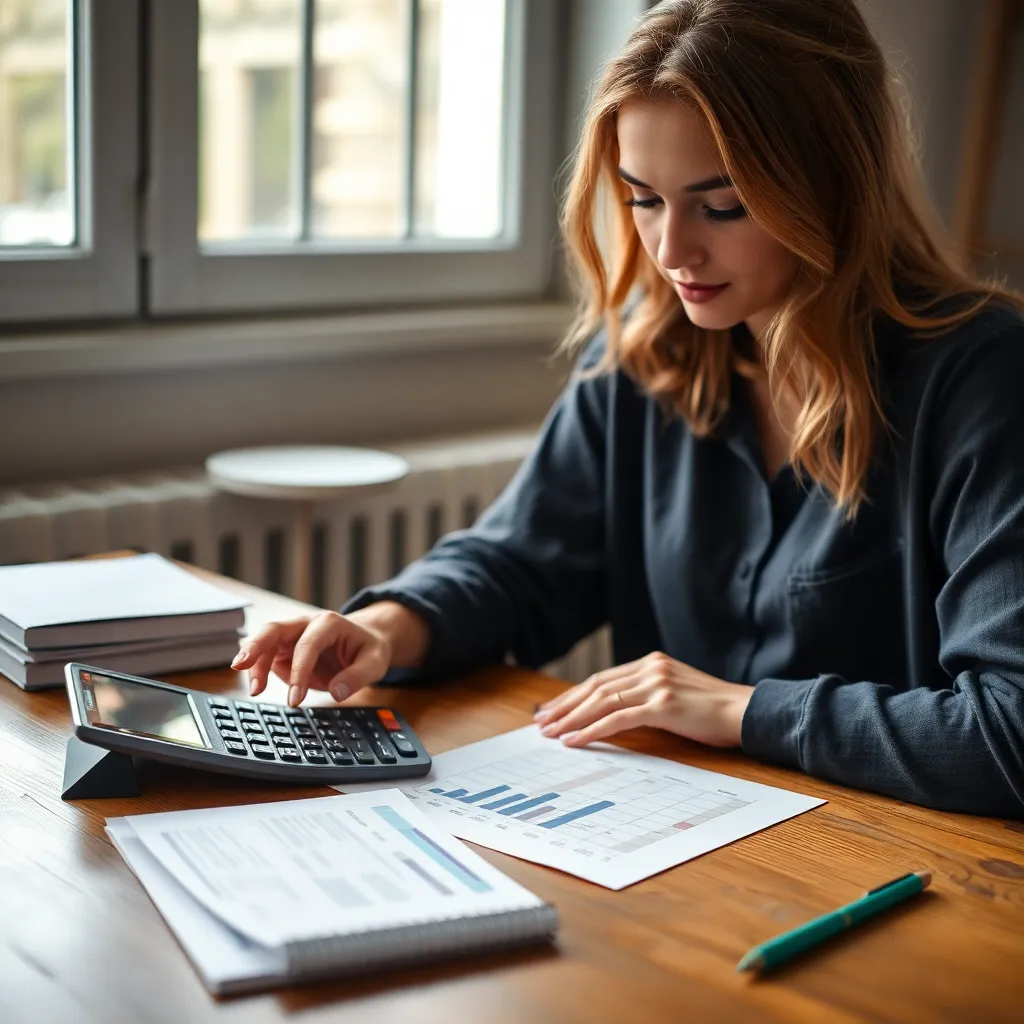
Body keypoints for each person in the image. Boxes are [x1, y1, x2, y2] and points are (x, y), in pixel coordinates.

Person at [232, 0, 1024, 818]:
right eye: (643, 198)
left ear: (833, 184)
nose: (672, 252)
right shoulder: (645, 357)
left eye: (722, 205)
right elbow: (521, 560)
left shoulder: (985, 378)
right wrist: (389, 627)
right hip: (679, 833)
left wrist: (739, 709)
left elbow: (1011, 732)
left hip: (898, 856)